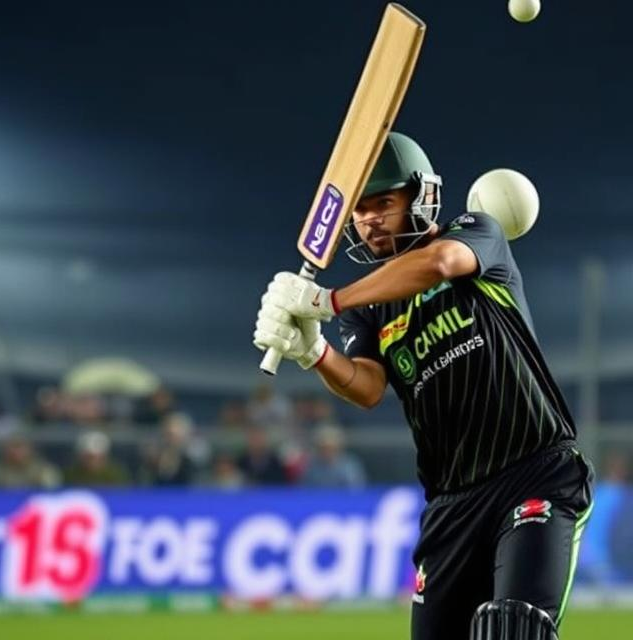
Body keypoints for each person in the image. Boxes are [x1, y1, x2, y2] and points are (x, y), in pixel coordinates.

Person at [253, 132, 594, 640]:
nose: (370, 220)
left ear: (420, 197)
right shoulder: (371, 307)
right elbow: (366, 388)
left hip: (535, 472)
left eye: (384, 203)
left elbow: (438, 264)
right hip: (451, 506)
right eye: (361, 210)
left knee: (515, 628)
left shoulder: (475, 231)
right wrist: (314, 352)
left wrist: (327, 301)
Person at [301, 423, 366, 488]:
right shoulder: (311, 466)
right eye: (323, 448)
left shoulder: (349, 466)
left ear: (338, 447)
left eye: (330, 448)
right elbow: (304, 490)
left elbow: (356, 490)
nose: (326, 452)